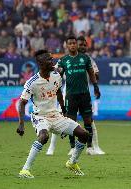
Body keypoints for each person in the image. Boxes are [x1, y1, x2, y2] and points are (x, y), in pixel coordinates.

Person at [17, 50, 89, 178]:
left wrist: (64, 111)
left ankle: (72, 163)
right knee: (44, 136)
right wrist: (21, 124)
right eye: (49, 60)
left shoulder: (56, 75)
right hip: (40, 116)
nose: (52, 62)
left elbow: (59, 92)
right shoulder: (32, 82)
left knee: (84, 135)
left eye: (52, 59)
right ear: (40, 63)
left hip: (56, 116)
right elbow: (22, 103)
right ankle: (25, 170)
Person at [46, 36, 105, 155]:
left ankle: (91, 147)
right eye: (71, 43)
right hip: (68, 95)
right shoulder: (63, 60)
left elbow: (93, 73)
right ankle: (61, 147)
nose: (73, 45)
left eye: (75, 43)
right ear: (67, 45)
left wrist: (96, 86)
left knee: (88, 121)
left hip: (84, 94)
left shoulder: (86, 58)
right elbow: (55, 73)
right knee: (68, 122)